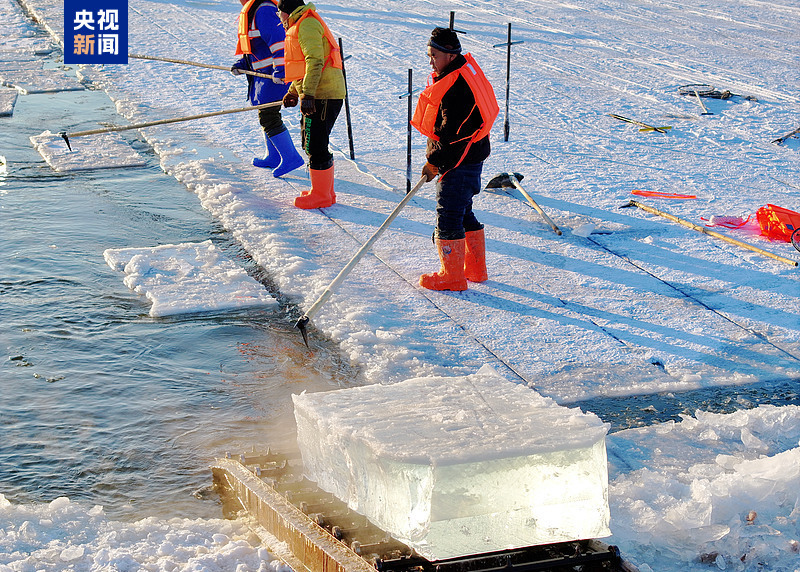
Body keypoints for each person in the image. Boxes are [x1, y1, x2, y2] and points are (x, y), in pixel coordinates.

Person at [410, 27, 499, 291]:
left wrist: (435, 161)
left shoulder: (457, 87)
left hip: (460, 159)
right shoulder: (457, 73)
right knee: (462, 211)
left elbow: (453, 134)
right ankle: (475, 269)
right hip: (469, 156)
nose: (430, 61)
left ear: (450, 55)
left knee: (448, 214)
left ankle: (452, 276)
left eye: (434, 55)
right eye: (429, 54)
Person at [277, 0, 346, 209]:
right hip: (318, 92)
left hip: (322, 93)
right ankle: (325, 191)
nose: (279, 18)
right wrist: (294, 92)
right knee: (314, 141)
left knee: (315, 143)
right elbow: (301, 66)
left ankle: (321, 195)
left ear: (286, 12)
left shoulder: (306, 25)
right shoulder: (300, 23)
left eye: (279, 13)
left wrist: (307, 94)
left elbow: (314, 61)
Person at [232, 0, 304, 177]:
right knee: (265, 113)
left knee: (269, 116)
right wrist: (242, 64)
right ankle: (273, 156)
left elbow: (279, 42)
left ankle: (290, 157)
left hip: (274, 75)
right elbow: (256, 47)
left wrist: (281, 70)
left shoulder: (263, 10)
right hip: (263, 76)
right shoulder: (253, 11)